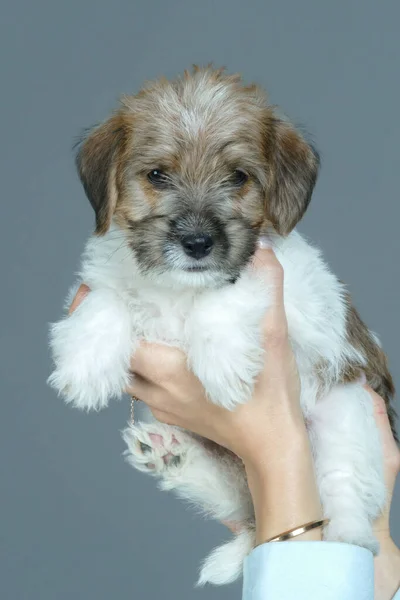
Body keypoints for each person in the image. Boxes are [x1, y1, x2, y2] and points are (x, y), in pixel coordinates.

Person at [70, 243, 400, 600]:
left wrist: (275, 457)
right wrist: (377, 560)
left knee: (341, 493)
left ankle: (287, 515)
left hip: (322, 407)